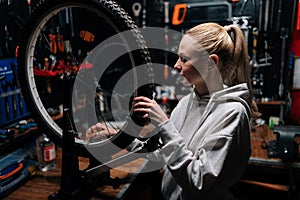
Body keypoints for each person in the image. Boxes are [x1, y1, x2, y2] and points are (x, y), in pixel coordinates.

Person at [86, 22, 260, 199]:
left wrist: (164, 125)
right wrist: (120, 136)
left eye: (184, 59)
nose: (176, 65)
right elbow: (164, 155)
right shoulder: (187, 102)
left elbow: (197, 180)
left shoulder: (232, 113)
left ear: (211, 63)